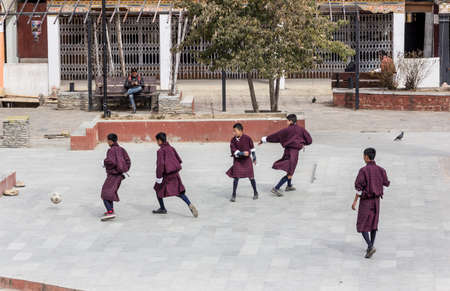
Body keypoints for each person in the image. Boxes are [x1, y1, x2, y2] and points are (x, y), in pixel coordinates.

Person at [259, 114, 312, 196]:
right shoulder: (301, 129)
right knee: (291, 171)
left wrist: (264, 139)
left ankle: (289, 186)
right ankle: (276, 188)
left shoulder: (287, 130)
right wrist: (302, 143)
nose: (286, 122)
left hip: (288, 152)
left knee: (290, 170)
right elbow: (309, 140)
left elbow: (276, 136)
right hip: (294, 153)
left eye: (287, 121)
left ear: (290, 121)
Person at [351, 148, 390, 258]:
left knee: (362, 224)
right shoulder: (381, 170)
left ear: (366, 157)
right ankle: (370, 247)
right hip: (376, 201)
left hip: (366, 201)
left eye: (363, 156)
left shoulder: (363, 171)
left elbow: (359, 188)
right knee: (373, 224)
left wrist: (354, 202)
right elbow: (385, 184)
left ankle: (370, 246)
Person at [152, 132, 198, 217]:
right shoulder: (171, 148)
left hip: (166, 176)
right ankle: (189, 204)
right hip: (175, 174)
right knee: (179, 192)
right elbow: (179, 160)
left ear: (159, 141)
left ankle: (162, 208)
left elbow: (160, 165)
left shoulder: (160, 151)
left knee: (158, 189)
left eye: (157, 141)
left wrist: (159, 177)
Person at [100, 133, 131, 221]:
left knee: (105, 193)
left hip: (113, 175)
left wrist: (104, 163)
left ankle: (110, 211)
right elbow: (128, 161)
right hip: (120, 175)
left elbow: (111, 161)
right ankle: (111, 210)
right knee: (111, 193)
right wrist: (124, 169)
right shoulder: (122, 149)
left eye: (107, 140)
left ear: (110, 141)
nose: (107, 142)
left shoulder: (111, 150)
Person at [226, 123, 258, 202]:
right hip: (238, 161)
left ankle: (255, 192)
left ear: (240, 131)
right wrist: (242, 153)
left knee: (251, 177)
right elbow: (233, 151)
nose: (233, 133)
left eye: (235, 131)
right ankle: (233, 195)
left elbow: (252, 149)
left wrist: (254, 158)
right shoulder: (233, 140)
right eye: (233, 131)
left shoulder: (248, 138)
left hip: (247, 161)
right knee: (236, 177)